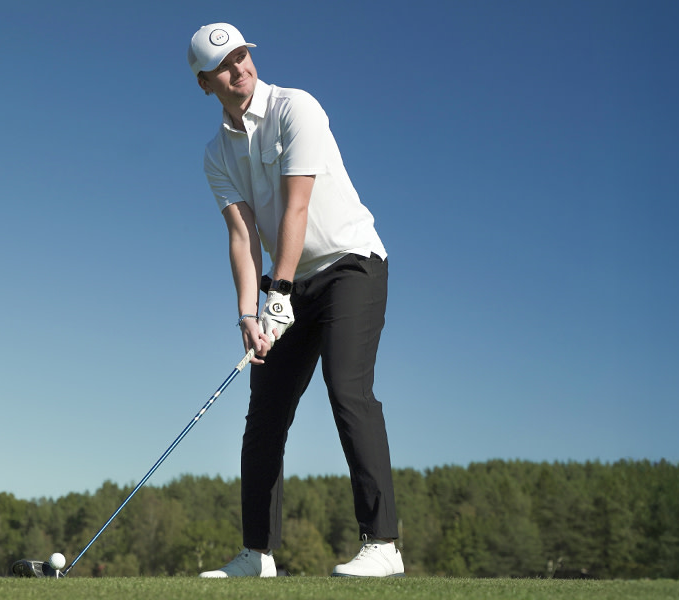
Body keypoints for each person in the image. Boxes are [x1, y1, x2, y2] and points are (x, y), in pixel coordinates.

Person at [186, 23, 404, 578]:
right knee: (265, 414)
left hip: (350, 263)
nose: (241, 70)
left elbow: (296, 208)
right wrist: (246, 315)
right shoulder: (216, 154)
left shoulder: (295, 108)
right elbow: (242, 236)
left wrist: (277, 294)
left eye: (243, 56)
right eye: (225, 66)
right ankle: (257, 554)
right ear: (204, 82)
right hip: (291, 285)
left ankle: (383, 544)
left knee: (347, 390)